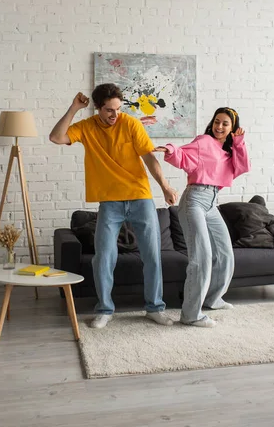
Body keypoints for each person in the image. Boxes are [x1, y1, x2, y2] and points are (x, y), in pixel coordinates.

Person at [49, 83, 178, 329]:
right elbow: (56, 137)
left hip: (140, 197)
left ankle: (154, 307)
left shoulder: (130, 124)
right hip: (110, 202)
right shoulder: (86, 128)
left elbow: (149, 156)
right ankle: (105, 309)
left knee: (152, 256)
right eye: (109, 110)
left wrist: (165, 186)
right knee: (104, 258)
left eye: (118, 109)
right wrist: (75, 108)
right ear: (97, 108)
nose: (114, 115)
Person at [154, 107, 250, 328]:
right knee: (201, 258)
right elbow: (183, 155)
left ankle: (213, 299)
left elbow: (242, 167)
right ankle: (190, 315)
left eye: (225, 123)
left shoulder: (228, 152)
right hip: (194, 200)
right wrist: (169, 148)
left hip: (212, 203)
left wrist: (239, 142)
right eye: (217, 121)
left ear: (232, 128)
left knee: (225, 254)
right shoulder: (204, 141)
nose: (219, 127)